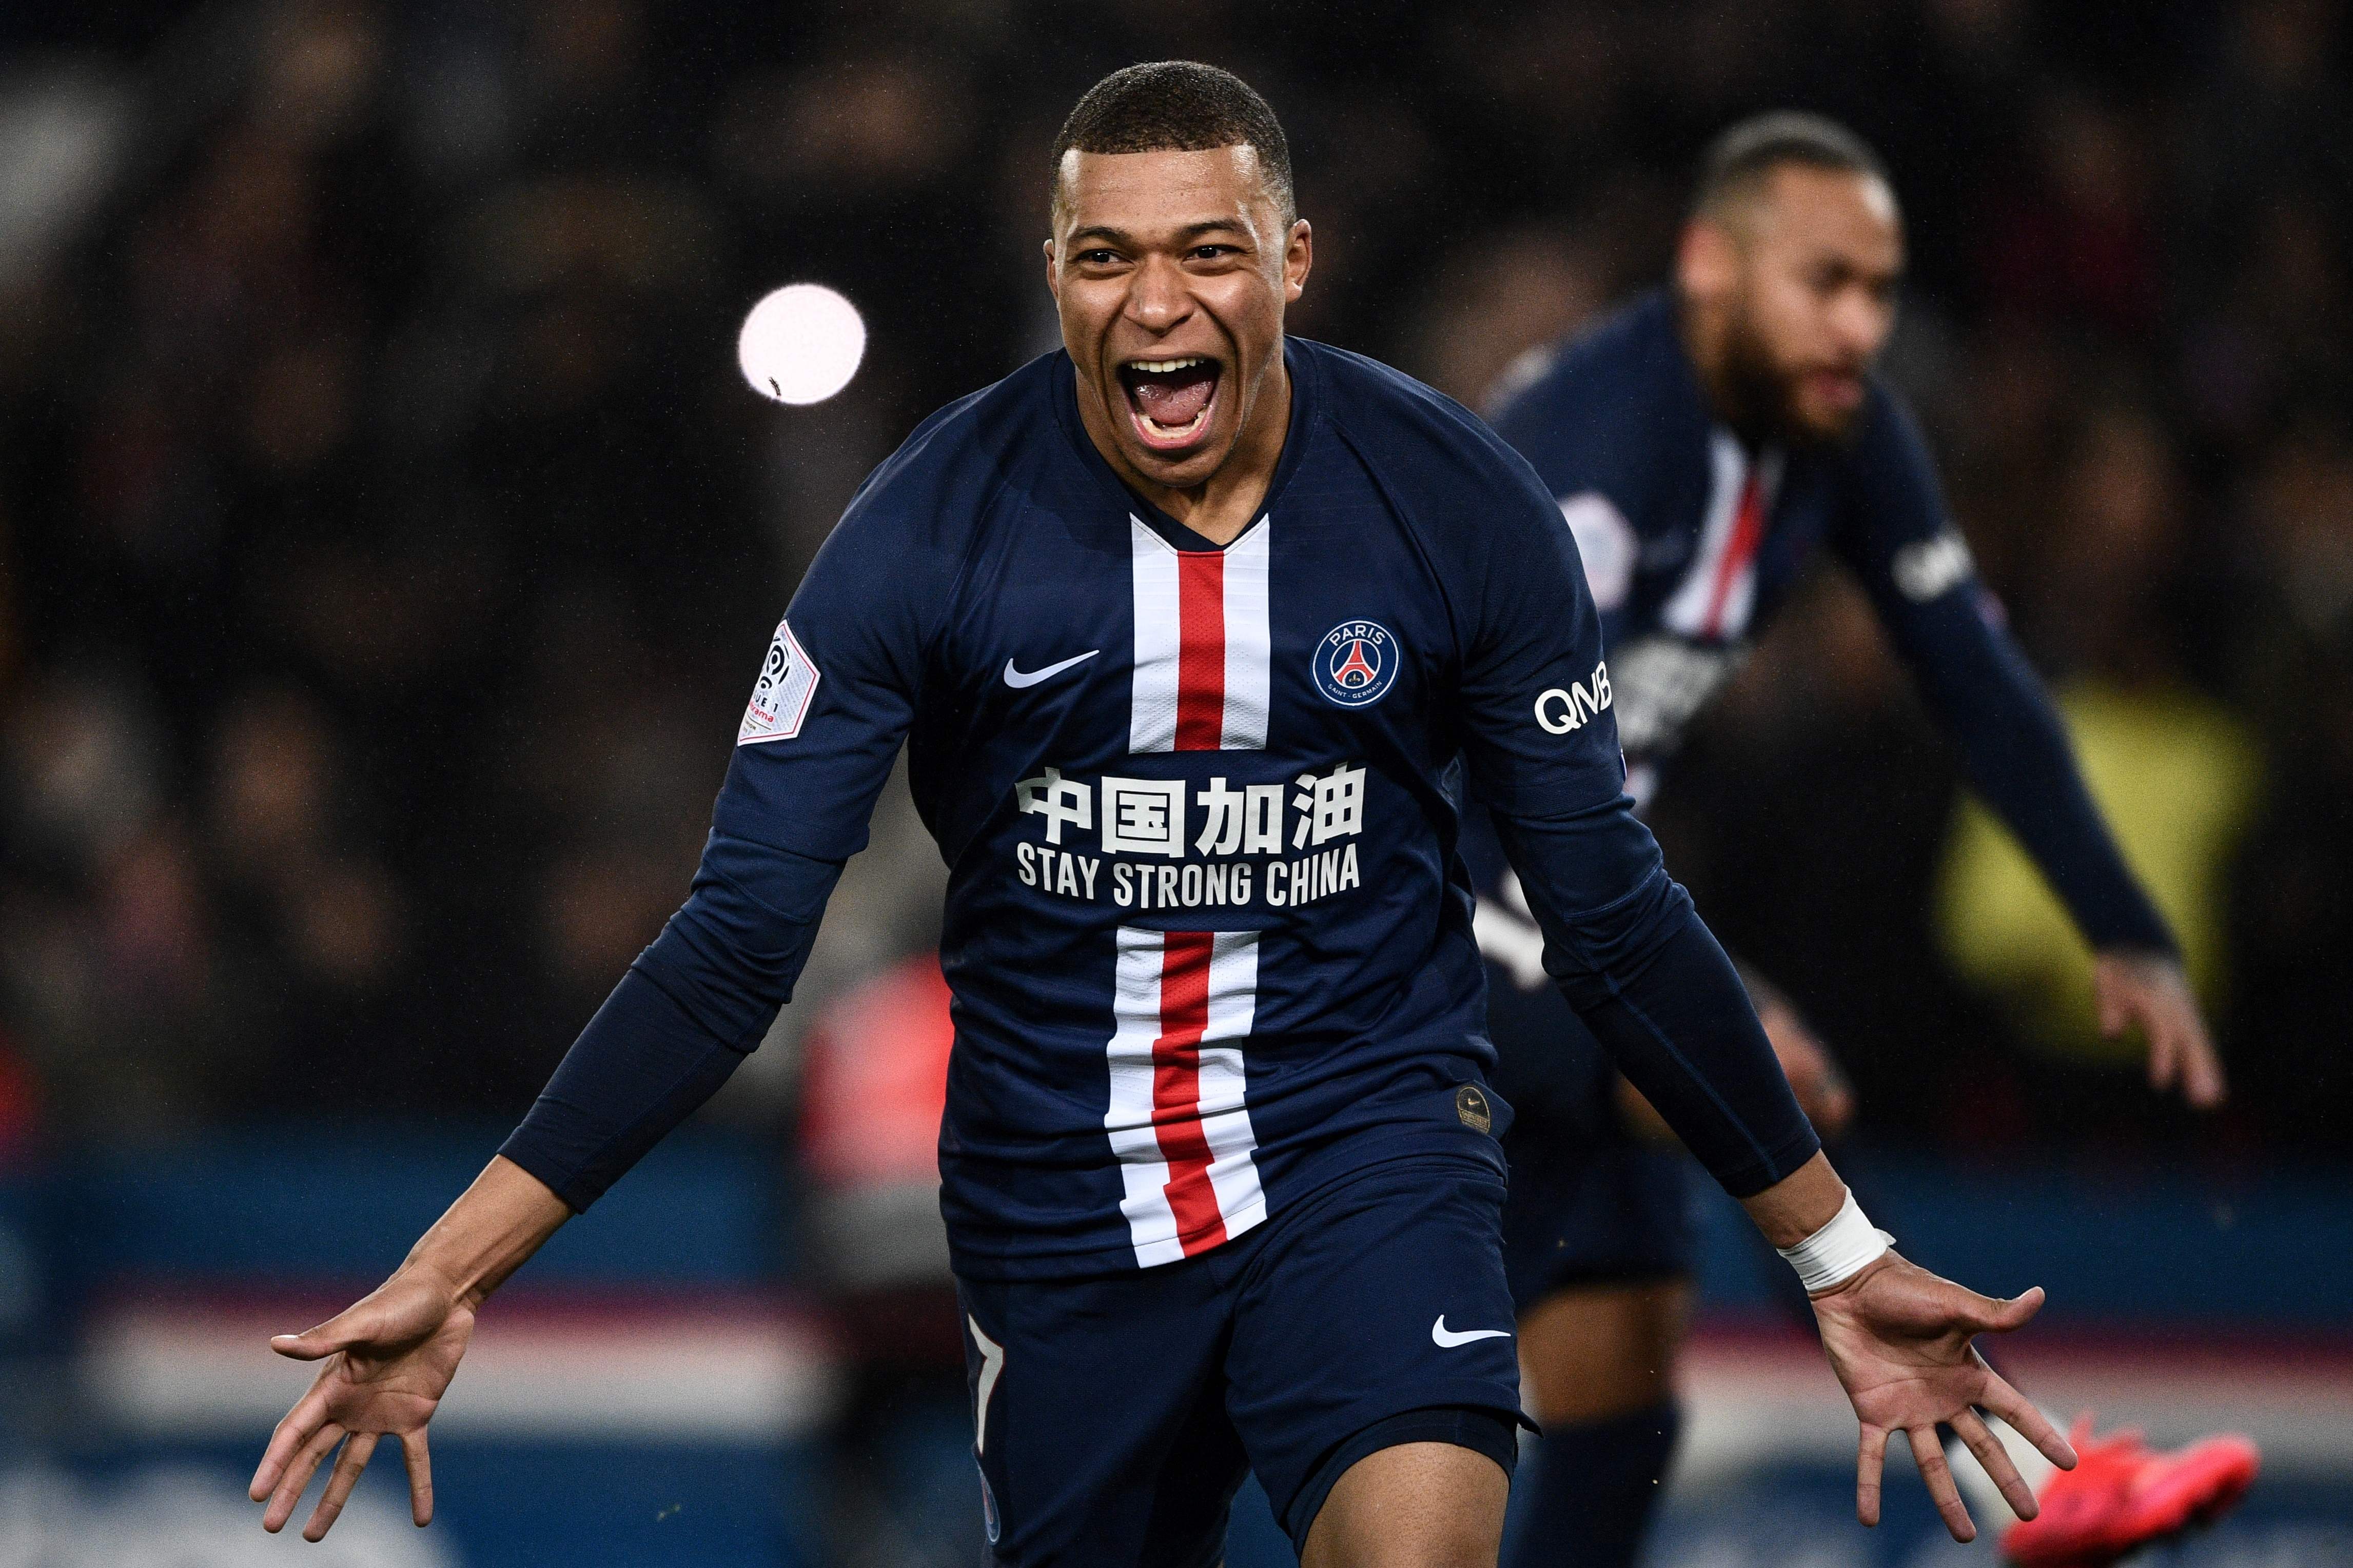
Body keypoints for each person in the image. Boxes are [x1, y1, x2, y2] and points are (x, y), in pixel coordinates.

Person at [245, 67, 2076, 1566]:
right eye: (1106, 257)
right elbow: (734, 944)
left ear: (1293, 257)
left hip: (1369, 1151)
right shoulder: (921, 532)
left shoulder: (1460, 507)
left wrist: (1833, 1250)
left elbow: (1607, 907)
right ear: (1054, 275)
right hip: (1059, 1211)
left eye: (1208, 250)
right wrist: (444, 1270)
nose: (1157, 302)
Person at [1470, 112, 2250, 1568]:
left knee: (1619, 1377)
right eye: (1820, 281)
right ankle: (2017, 1460)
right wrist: (1650, 977)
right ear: (1709, 266)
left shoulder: (1837, 430)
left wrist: (2116, 915)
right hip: (1422, 884)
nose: (1857, 324)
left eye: (1877, 289)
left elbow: (1973, 676)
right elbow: (1454, 774)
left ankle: (2006, 1457)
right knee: (1758, 1075)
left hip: (1573, 883)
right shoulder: (1581, 465)